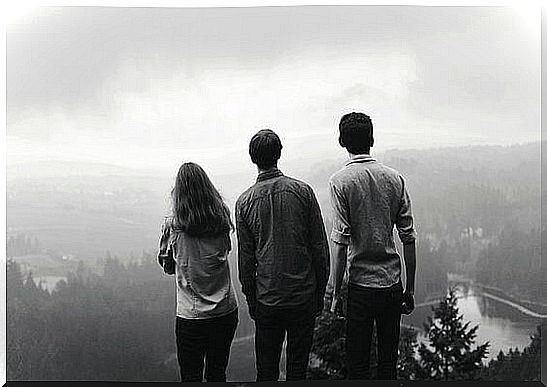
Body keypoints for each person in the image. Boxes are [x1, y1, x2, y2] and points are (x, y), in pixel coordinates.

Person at [328, 112, 417, 380]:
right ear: (372, 139)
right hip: (390, 285)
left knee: (357, 365)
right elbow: (409, 238)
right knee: (389, 363)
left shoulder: (340, 182)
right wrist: (409, 289)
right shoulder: (394, 178)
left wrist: (335, 293)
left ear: (342, 141)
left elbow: (341, 242)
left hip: (360, 287)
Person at [236, 129, 330, 381]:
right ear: (279, 154)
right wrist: (319, 293)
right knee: (297, 371)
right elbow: (319, 248)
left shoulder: (244, 202)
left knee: (265, 372)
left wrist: (252, 299)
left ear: (253, 158)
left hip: (268, 300)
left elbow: (246, 261)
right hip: (303, 297)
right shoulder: (303, 192)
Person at [157, 162, 238, 382]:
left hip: (191, 316)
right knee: (217, 373)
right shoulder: (222, 215)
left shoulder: (172, 226)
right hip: (225, 310)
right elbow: (226, 250)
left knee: (190, 377)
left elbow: (167, 265)